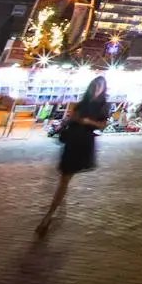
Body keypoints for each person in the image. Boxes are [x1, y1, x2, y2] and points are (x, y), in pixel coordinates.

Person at [37, 76, 109, 236]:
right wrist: (67, 122)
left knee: (64, 179)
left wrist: (88, 122)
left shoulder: (103, 105)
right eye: (94, 85)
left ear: (103, 89)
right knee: (64, 179)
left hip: (84, 143)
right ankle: (57, 207)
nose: (96, 89)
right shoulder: (82, 103)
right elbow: (71, 119)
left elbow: (103, 125)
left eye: (99, 86)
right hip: (72, 141)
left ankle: (49, 215)